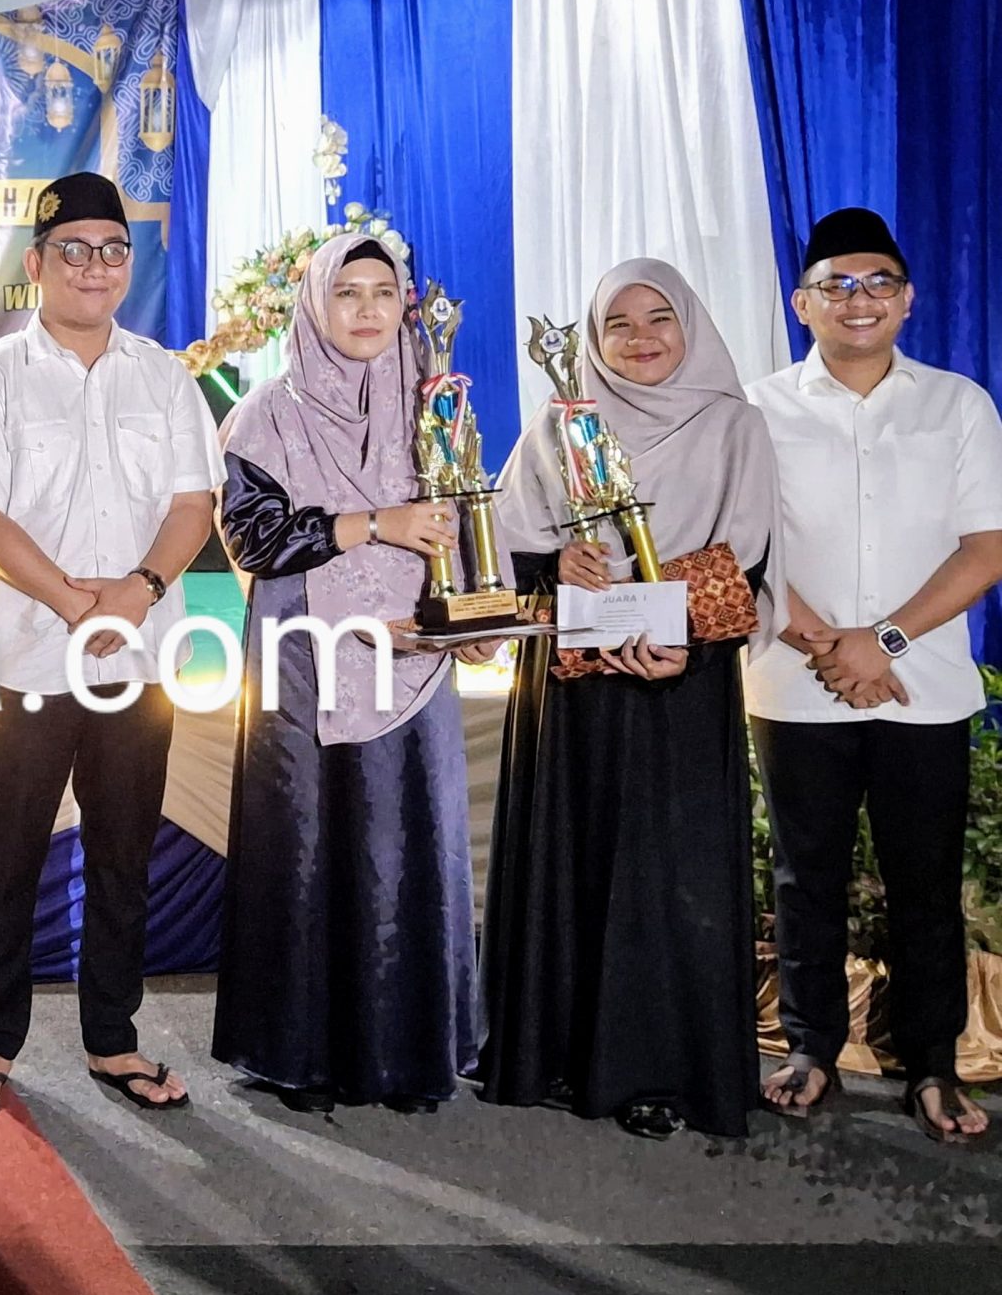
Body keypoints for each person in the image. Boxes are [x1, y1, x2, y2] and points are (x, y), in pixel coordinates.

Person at [0, 171, 219, 1119]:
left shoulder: (164, 377)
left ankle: (113, 1038)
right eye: (74, 251)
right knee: (9, 859)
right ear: (36, 264)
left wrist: (138, 594)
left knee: (123, 857)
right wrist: (70, 601)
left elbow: (192, 504)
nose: (95, 267)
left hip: (138, 657)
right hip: (28, 655)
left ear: (128, 263)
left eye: (113, 250)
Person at [480, 259, 778, 1139]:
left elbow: (751, 559)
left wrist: (680, 637)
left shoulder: (734, 427)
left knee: (667, 877)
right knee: (571, 861)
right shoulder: (559, 425)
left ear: (691, 326)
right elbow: (505, 546)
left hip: (680, 687)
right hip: (573, 695)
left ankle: (660, 1070)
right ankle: (553, 1054)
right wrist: (557, 564)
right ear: (594, 338)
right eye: (618, 323)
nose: (640, 339)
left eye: (659, 319)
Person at [209, 233, 491, 1116]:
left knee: (404, 835)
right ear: (315, 303)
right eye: (347, 292)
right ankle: (299, 1054)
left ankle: (405, 1054)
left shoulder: (435, 404)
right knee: (306, 839)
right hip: (303, 654)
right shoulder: (269, 412)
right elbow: (253, 537)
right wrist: (375, 523)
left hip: (414, 650)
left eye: (383, 292)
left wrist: (478, 610)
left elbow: (467, 520)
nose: (368, 311)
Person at [746, 207, 1002, 1144]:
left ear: (909, 299)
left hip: (922, 689)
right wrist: (830, 646)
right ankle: (810, 1049)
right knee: (803, 876)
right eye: (838, 285)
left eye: (879, 282)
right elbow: (744, 545)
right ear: (802, 303)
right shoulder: (757, 409)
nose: (860, 300)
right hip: (794, 681)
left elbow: (987, 547)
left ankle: (933, 1066)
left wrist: (881, 642)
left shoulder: (958, 404)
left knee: (924, 884)